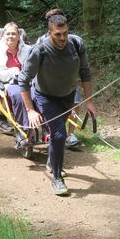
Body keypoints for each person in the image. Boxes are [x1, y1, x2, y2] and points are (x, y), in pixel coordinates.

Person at [18, 14, 97, 196]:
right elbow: (23, 80)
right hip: (45, 96)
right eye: (57, 35)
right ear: (49, 33)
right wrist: (30, 110)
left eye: (65, 33)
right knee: (59, 134)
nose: (62, 38)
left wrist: (89, 101)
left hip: (67, 96)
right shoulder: (39, 50)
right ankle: (57, 179)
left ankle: (53, 163)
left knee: (56, 136)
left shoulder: (77, 45)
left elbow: (85, 73)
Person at [38, 8, 81, 149]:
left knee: (75, 104)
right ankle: (53, 132)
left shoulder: (74, 41)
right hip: (49, 85)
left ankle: (70, 134)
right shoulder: (41, 43)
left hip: (69, 81)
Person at [0, 22, 32, 146]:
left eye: (14, 34)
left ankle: (48, 130)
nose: (11, 36)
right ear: (3, 35)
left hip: (29, 82)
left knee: (40, 96)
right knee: (19, 96)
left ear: (19, 36)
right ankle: (22, 131)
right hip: (11, 83)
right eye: (8, 33)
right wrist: (15, 72)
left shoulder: (28, 50)